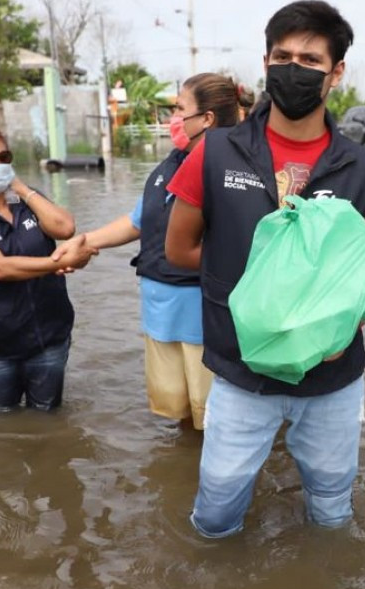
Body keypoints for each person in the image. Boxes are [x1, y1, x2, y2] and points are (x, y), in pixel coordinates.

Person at [164, 0, 365, 538]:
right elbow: (179, 249)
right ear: (266, 62)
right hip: (240, 372)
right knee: (216, 512)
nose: (294, 69)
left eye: (311, 60)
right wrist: (260, 293)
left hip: (332, 378)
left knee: (332, 511)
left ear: (336, 73)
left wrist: (337, 329)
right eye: (283, 56)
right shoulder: (216, 152)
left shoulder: (364, 170)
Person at [52, 73, 252, 431]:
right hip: (161, 312)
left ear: (206, 119)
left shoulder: (234, 171)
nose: (173, 118)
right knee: (179, 416)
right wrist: (86, 241)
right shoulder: (172, 163)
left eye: (180, 109)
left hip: (204, 314)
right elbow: (139, 220)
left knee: (217, 421)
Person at [0, 123, 97, 411]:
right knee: (2, 423)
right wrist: (60, 262)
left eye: (4, 157)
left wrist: (22, 189)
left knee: (48, 418)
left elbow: (65, 227)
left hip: (48, 338)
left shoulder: (27, 203)